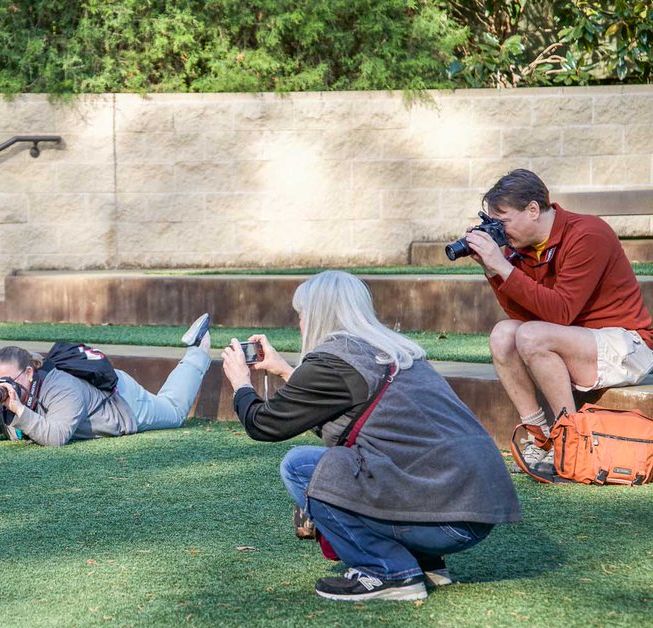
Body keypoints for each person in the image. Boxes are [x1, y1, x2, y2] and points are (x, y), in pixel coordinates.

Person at [221, 271, 520, 602]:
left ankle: (388, 571)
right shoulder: (392, 350)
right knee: (360, 461)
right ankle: (424, 561)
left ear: (318, 315)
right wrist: (285, 371)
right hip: (472, 513)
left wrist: (240, 384)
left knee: (301, 466)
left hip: (444, 518)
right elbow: (351, 415)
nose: (300, 323)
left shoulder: (334, 362)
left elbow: (264, 424)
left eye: (302, 314)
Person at [465, 169, 653, 473]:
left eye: (503, 222)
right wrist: (493, 270)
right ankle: (539, 437)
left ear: (533, 209)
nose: (500, 231)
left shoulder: (588, 233)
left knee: (531, 336)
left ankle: (570, 437)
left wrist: (502, 265)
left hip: (628, 347)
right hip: (577, 341)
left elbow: (560, 312)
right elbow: (524, 316)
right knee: (504, 333)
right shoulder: (523, 249)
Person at [0, 314, 213, 446]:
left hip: (125, 404)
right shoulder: (7, 398)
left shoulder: (61, 387)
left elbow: (56, 437)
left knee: (174, 411)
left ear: (30, 373)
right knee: (167, 403)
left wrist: (19, 410)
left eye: (10, 379)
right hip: (108, 398)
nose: (4, 386)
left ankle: (198, 348)